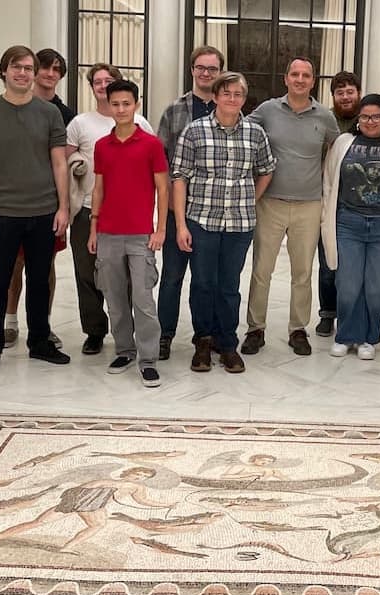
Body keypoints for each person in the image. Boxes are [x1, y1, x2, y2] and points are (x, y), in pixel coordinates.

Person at [0, 45, 71, 375]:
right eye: (17, 67)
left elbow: (59, 162)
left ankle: (39, 340)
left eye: (29, 68)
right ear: (4, 71)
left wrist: (63, 208)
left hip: (43, 210)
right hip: (2, 211)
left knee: (40, 280)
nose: (23, 73)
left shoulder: (49, 114)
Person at [172, 72, 276, 374]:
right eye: (227, 93)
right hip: (201, 221)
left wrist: (251, 198)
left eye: (238, 94)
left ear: (244, 99)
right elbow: (179, 178)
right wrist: (180, 225)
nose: (232, 99)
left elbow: (267, 169)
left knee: (229, 286)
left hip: (239, 224)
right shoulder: (195, 131)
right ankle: (203, 342)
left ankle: (227, 343)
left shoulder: (255, 133)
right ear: (215, 96)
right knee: (203, 284)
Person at [241, 57, 339, 357]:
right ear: (286, 79)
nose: (299, 79)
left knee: (302, 273)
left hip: (309, 205)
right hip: (270, 203)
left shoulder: (324, 117)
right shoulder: (268, 110)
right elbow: (241, 134)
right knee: (261, 270)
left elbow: (337, 154)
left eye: (305, 75)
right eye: (294, 74)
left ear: (313, 81)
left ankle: (298, 329)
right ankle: (255, 328)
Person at [65, 63, 155, 357]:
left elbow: (157, 178)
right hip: (91, 212)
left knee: (133, 284)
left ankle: (137, 344)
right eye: (98, 82)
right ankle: (96, 332)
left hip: (132, 219)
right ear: (92, 87)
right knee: (89, 275)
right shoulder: (81, 123)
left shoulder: (142, 126)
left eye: (109, 81)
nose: (103, 86)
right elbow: (65, 161)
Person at [86, 80, 168, 388]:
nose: (121, 109)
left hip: (140, 235)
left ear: (136, 104)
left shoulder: (150, 145)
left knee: (143, 299)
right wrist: (94, 228)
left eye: (126, 104)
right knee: (115, 298)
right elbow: (99, 189)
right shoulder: (102, 146)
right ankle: (124, 350)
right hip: (108, 233)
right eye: (115, 104)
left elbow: (162, 188)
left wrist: (160, 229)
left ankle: (147, 359)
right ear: (108, 105)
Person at [321, 93, 380, 360]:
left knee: (375, 288)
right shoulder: (343, 143)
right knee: (347, 285)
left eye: (376, 116)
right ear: (358, 119)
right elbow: (328, 181)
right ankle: (346, 335)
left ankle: (369, 338)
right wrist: (326, 218)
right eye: (365, 116)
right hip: (348, 223)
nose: (370, 121)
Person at [2, 48, 74, 351]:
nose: (50, 73)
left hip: (47, 201)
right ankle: (9, 321)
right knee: (12, 264)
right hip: (12, 202)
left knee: (46, 266)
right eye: (45, 67)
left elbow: (65, 161)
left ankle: (41, 325)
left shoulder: (65, 114)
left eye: (57, 69)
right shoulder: (11, 106)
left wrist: (63, 205)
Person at [155, 46, 224, 361]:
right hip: (177, 210)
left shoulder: (229, 110)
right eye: (201, 67)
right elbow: (161, 162)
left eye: (212, 68)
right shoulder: (174, 110)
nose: (206, 73)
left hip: (212, 211)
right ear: (192, 70)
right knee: (172, 276)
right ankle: (164, 334)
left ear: (221, 71)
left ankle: (204, 336)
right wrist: (169, 206)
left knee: (207, 279)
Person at [0, 467, 173, 553]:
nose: (138, 478)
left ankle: (68, 547)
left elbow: (145, 501)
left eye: (142, 477)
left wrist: (166, 505)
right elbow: (83, 491)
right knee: (38, 522)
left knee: (98, 524)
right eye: (137, 474)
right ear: (130, 472)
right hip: (80, 502)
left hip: (88, 504)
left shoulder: (135, 487)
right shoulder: (113, 481)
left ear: (145, 480)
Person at [316, 70, 363, 339]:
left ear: (358, 92)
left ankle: (350, 313)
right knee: (328, 264)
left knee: (354, 266)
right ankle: (327, 314)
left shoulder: (369, 119)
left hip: (359, 203)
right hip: (328, 201)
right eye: (339, 92)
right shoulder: (324, 120)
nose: (345, 97)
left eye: (350, 91)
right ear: (333, 96)